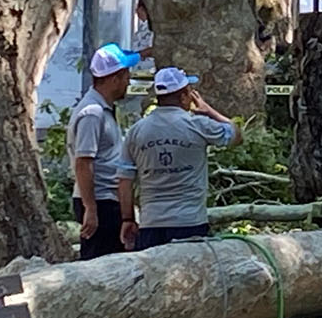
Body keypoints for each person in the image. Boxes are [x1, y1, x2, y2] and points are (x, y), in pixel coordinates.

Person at [118, 66, 243, 251]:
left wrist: (127, 219)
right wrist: (209, 111)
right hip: (190, 222)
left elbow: (124, 180)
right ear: (184, 96)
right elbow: (236, 135)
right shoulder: (198, 125)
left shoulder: (136, 131)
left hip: (151, 223)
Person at [67, 43, 142, 260]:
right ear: (114, 79)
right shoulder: (92, 113)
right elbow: (83, 162)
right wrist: (90, 208)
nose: (128, 81)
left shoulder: (104, 110)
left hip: (108, 199)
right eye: (126, 76)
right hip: (100, 201)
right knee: (100, 263)